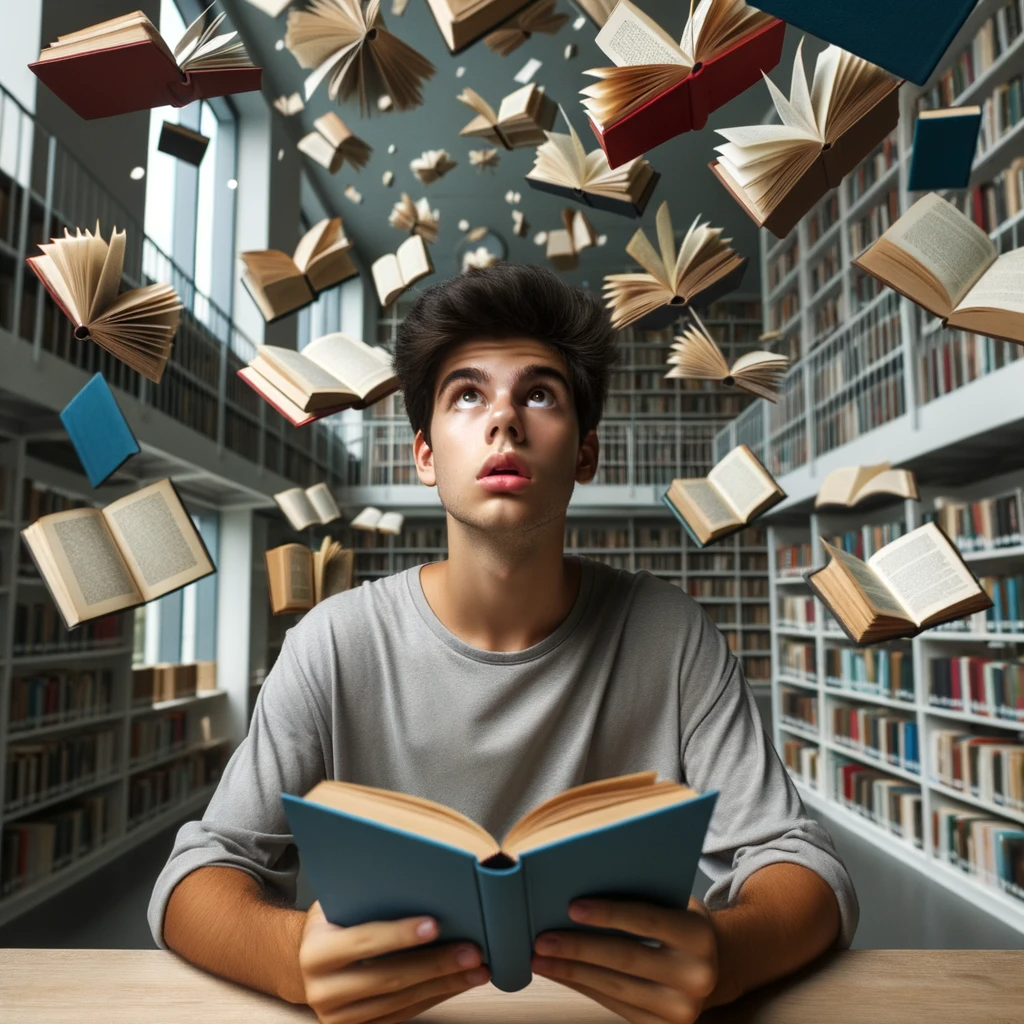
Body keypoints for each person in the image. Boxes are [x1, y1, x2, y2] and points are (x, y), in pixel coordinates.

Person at [150, 263, 858, 1024]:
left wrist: (728, 957)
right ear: (424, 455)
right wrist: (291, 959)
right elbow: (198, 874)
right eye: (467, 394)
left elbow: (802, 863)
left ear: (585, 454)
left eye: (540, 393)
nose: (504, 421)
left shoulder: (673, 635)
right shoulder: (332, 642)